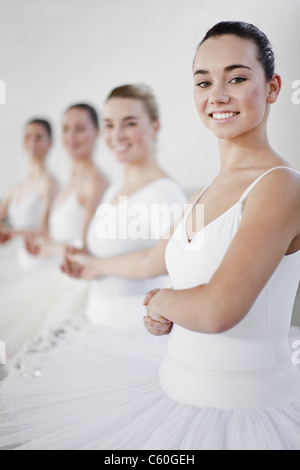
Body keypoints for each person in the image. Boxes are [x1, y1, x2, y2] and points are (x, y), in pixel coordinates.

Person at [1, 21, 300, 450]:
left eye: (236, 78)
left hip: (242, 412)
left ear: (272, 88)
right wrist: (88, 265)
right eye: (203, 82)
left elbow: (219, 309)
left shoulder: (281, 186)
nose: (217, 95)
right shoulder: (204, 192)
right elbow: (150, 262)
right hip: (170, 391)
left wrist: (161, 301)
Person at [0, 103, 108, 358]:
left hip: (70, 281)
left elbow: (87, 246)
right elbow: (51, 234)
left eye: (80, 129)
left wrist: (45, 247)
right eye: (67, 129)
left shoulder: (95, 183)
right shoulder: (70, 181)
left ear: (97, 132)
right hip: (50, 270)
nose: (71, 136)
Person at [0, 119, 57, 281]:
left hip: (41, 264)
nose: (33, 142)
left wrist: (10, 233)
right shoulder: (17, 188)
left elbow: (45, 230)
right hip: (20, 261)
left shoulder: (49, 184)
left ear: (49, 143)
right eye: (28, 137)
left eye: (39, 137)